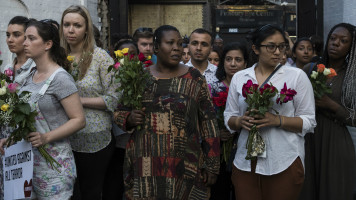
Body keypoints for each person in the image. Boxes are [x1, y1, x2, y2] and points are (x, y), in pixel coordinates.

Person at [114, 25, 220, 199]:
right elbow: (119, 113)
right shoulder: (140, 77)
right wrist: (130, 118)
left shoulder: (194, 78)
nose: (176, 48)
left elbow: (208, 122)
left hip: (185, 166)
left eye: (179, 43)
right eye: (170, 43)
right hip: (146, 165)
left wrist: (212, 165)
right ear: (156, 47)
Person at [224, 24, 316, 200]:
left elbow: (309, 121)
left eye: (282, 46)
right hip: (246, 161)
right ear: (255, 48)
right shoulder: (240, 77)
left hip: (284, 160)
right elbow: (229, 116)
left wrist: (276, 120)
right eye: (271, 46)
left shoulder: (296, 76)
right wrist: (239, 122)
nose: (278, 52)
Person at [0, 19, 86, 199]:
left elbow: (79, 120)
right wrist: (11, 140)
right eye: (26, 39)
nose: (25, 43)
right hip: (28, 165)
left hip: (54, 165)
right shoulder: (30, 76)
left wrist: (46, 137)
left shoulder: (60, 78)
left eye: (31, 38)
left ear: (47, 44)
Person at [59, 5, 118, 199]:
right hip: (62, 137)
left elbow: (115, 98)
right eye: (66, 24)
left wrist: (78, 101)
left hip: (95, 140)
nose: (71, 30)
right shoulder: (57, 58)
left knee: (90, 192)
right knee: (68, 193)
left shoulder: (100, 56)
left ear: (86, 28)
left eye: (77, 25)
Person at [302, 23, 356, 200]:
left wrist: (330, 105)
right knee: (306, 188)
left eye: (343, 41)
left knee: (334, 191)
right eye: (333, 38)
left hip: (336, 141)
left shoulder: (352, 77)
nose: (336, 43)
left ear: (351, 46)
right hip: (308, 138)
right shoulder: (310, 69)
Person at [209, 41, 249, 200]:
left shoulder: (252, 89)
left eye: (238, 60)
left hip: (244, 150)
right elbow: (203, 120)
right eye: (228, 59)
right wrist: (217, 132)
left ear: (245, 63)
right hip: (218, 152)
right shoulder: (212, 88)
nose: (233, 64)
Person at [102, 39, 138, 200]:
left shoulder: (145, 77)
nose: (128, 58)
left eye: (133, 54)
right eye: (123, 55)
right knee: (114, 187)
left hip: (137, 144)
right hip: (116, 144)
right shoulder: (109, 77)